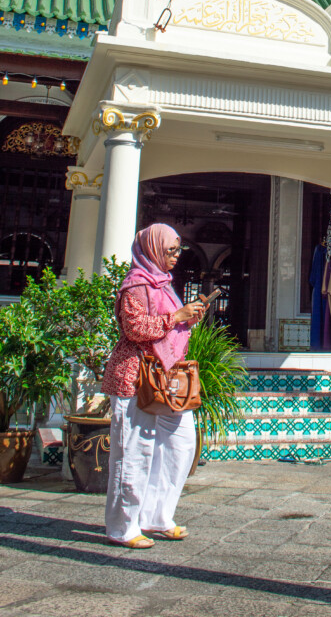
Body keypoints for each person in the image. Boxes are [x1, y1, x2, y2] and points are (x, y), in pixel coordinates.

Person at [102, 223, 204, 549]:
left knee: (180, 443)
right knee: (132, 451)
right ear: (153, 250)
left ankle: (157, 516)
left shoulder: (164, 284)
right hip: (136, 377)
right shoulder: (136, 285)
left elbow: (168, 325)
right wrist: (176, 317)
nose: (175, 257)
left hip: (166, 377)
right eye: (170, 251)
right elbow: (135, 329)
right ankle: (124, 527)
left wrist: (187, 317)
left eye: (178, 251)